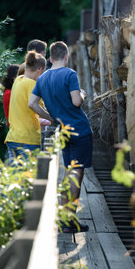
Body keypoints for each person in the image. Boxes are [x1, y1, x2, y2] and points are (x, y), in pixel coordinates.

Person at [29, 41, 92, 233]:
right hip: (80, 131)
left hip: (63, 130)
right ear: (66, 56)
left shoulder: (42, 78)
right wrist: (82, 94)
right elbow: (76, 102)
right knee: (76, 176)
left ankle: (65, 219)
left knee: (67, 174)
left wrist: (52, 117)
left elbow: (32, 103)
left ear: (49, 58)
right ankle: (70, 220)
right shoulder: (70, 74)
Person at [5, 51, 54, 164]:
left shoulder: (18, 80)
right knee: (28, 176)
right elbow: (33, 104)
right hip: (27, 139)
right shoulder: (31, 84)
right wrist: (51, 117)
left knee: (15, 177)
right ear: (40, 69)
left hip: (13, 137)